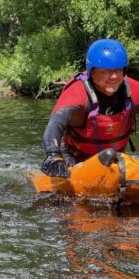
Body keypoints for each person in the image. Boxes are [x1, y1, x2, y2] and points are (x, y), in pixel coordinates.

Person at [41, 38, 139, 178]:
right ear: (92, 72)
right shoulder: (77, 94)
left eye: (118, 70)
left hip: (116, 158)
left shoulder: (133, 91)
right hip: (76, 161)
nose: (114, 76)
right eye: (106, 71)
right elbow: (55, 124)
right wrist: (53, 155)